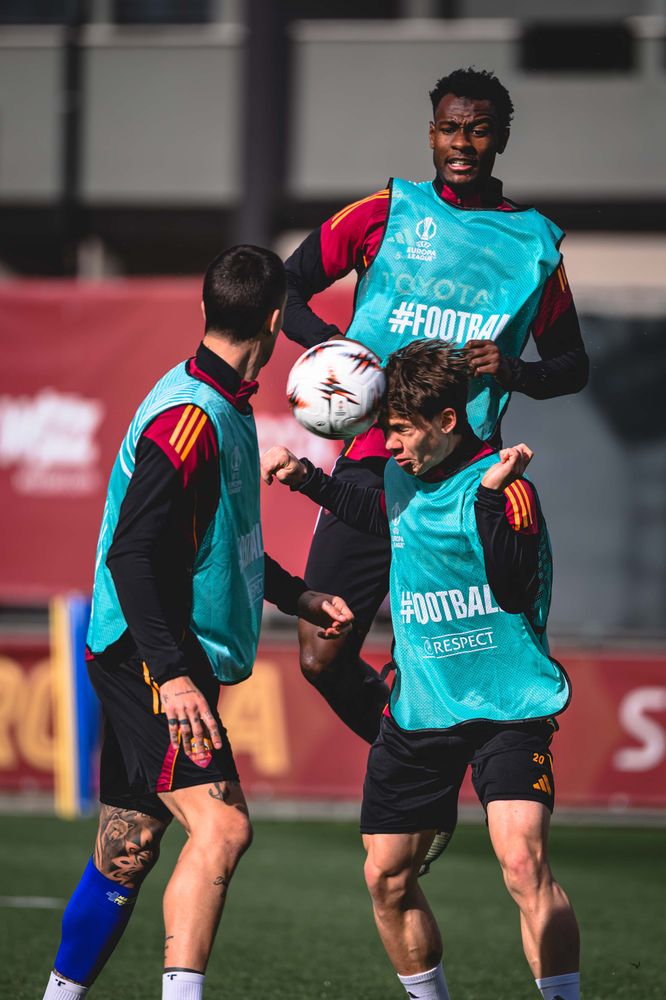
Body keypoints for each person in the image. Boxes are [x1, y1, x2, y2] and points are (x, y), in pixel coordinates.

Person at [41, 246, 354, 1000]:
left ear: (206, 309)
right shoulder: (190, 419)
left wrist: (298, 595)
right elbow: (131, 556)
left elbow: (223, 544)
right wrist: (173, 675)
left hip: (154, 653)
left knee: (129, 847)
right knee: (223, 829)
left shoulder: (224, 404)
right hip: (153, 658)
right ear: (277, 321)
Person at [282, 67, 589, 769]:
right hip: (369, 469)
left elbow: (573, 366)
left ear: (500, 139)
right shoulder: (386, 211)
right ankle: (420, 764)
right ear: (431, 134)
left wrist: (515, 372)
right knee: (321, 652)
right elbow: (288, 283)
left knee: (459, 667)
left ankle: (460, 779)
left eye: (478, 129)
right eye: (450, 128)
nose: (463, 143)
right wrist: (330, 347)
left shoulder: (535, 246)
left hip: (465, 488)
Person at [261, 339, 581, 1000]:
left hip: (507, 708)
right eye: (385, 432)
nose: (391, 446)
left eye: (402, 432)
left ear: (447, 422)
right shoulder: (399, 480)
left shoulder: (509, 488)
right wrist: (306, 477)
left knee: (522, 861)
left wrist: (490, 500)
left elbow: (517, 590)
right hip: (420, 709)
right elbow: (379, 514)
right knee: (386, 877)